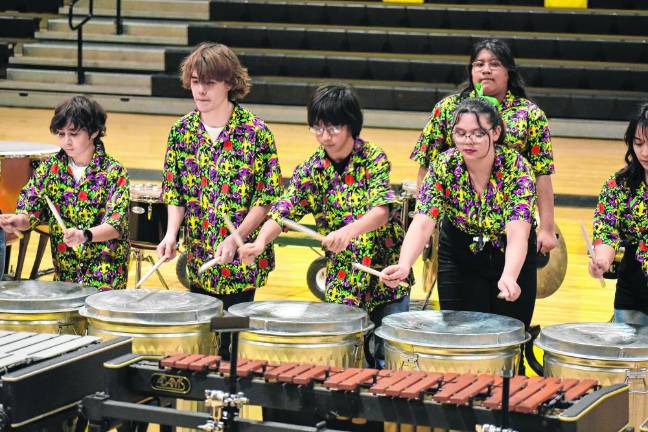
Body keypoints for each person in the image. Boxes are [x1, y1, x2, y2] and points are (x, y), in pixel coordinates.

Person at [239, 83, 411, 359]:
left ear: (351, 125)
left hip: (385, 275)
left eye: (332, 128)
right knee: (344, 357)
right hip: (343, 277)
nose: (324, 136)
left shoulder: (373, 158)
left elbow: (381, 211)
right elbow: (281, 213)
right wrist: (259, 243)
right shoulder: (310, 168)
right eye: (317, 128)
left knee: (387, 358)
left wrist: (347, 232)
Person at [156, 43, 283, 357]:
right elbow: (175, 191)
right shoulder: (181, 132)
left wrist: (236, 236)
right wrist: (171, 234)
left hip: (241, 259)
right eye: (196, 81)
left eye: (209, 83)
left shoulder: (256, 132)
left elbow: (267, 199)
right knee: (205, 347)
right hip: (200, 256)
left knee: (236, 349)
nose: (200, 90)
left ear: (230, 82)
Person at [382, 98, 537, 332]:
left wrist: (509, 275)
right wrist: (404, 265)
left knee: (508, 336)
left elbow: (517, 232)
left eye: (477, 133)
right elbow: (423, 221)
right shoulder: (444, 166)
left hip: (509, 254)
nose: (468, 141)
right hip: (459, 253)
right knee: (460, 334)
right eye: (460, 133)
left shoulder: (516, 168)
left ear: (495, 132)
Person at [410, 38, 558, 254]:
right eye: (479, 64)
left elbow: (542, 174)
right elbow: (426, 165)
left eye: (495, 64)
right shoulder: (447, 108)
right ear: (471, 71)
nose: (486, 70)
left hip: (512, 225)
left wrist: (547, 227)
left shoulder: (530, 114)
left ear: (509, 72)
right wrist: (426, 223)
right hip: (457, 223)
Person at [0, 95, 130, 290]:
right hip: (65, 274)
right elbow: (32, 209)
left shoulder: (113, 171)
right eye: (61, 134)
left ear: (94, 132)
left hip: (105, 275)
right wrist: (19, 220)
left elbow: (116, 224)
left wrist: (84, 235)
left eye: (74, 134)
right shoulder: (50, 169)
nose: (66, 142)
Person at [589, 103, 648, 325]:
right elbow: (606, 229)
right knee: (630, 356)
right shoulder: (618, 184)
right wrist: (602, 260)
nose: (644, 152)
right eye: (638, 143)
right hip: (632, 288)